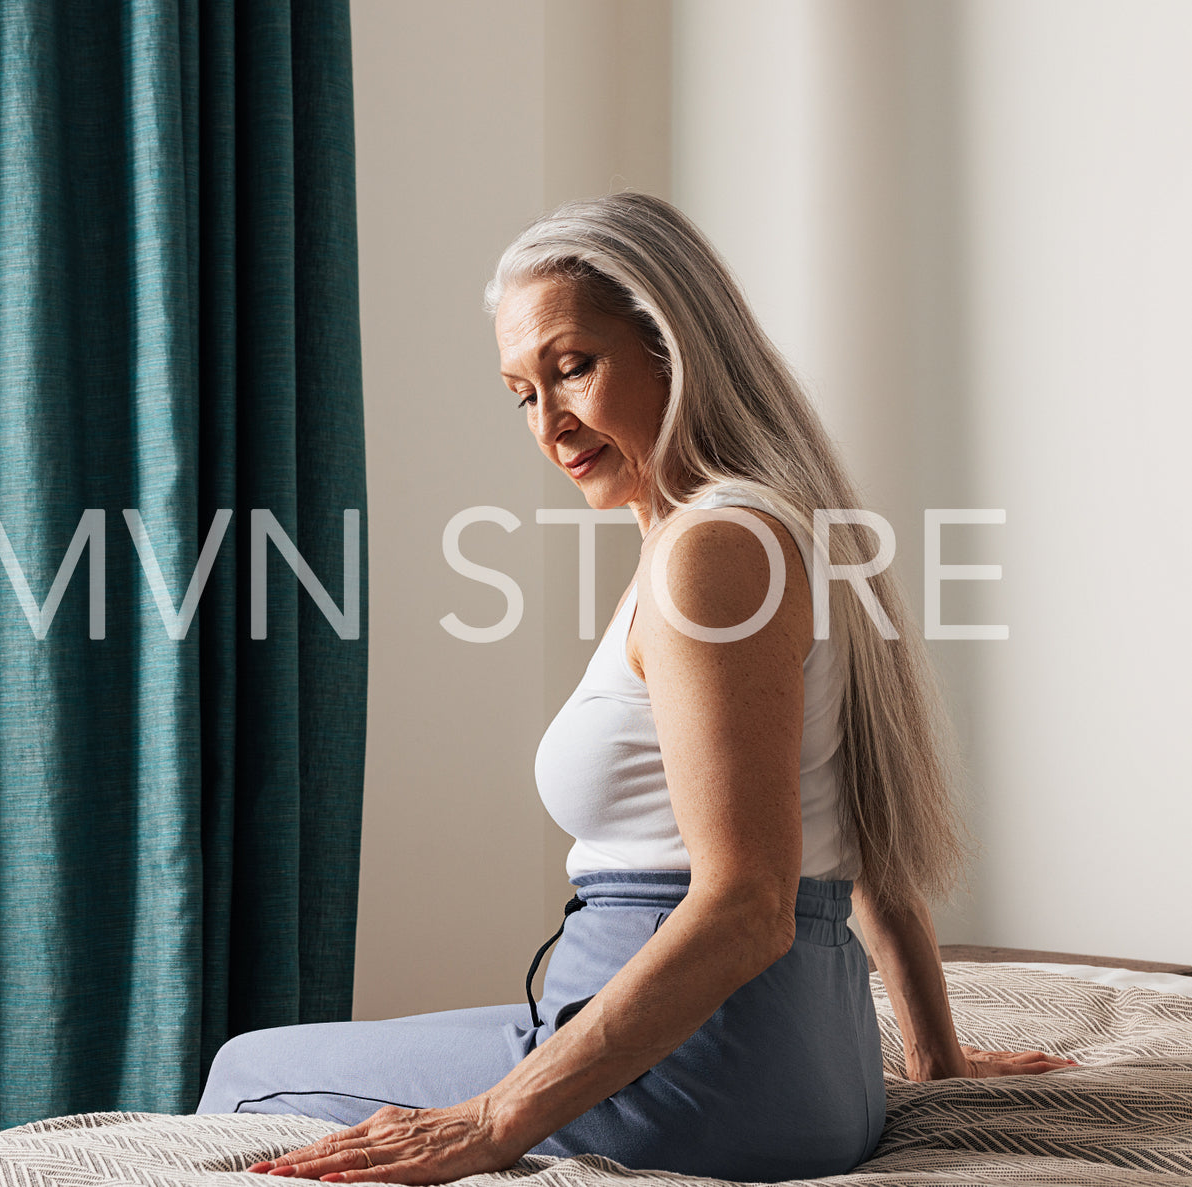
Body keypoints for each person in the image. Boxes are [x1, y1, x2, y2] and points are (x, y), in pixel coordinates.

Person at [196, 192, 1072, 1184]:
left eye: (573, 366)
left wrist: (494, 1117)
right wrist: (931, 1054)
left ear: (673, 345)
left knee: (244, 1069)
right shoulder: (764, 523)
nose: (548, 421)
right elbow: (855, 824)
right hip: (798, 1062)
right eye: (522, 392)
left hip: (707, 1068)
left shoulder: (713, 548)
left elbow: (747, 901)